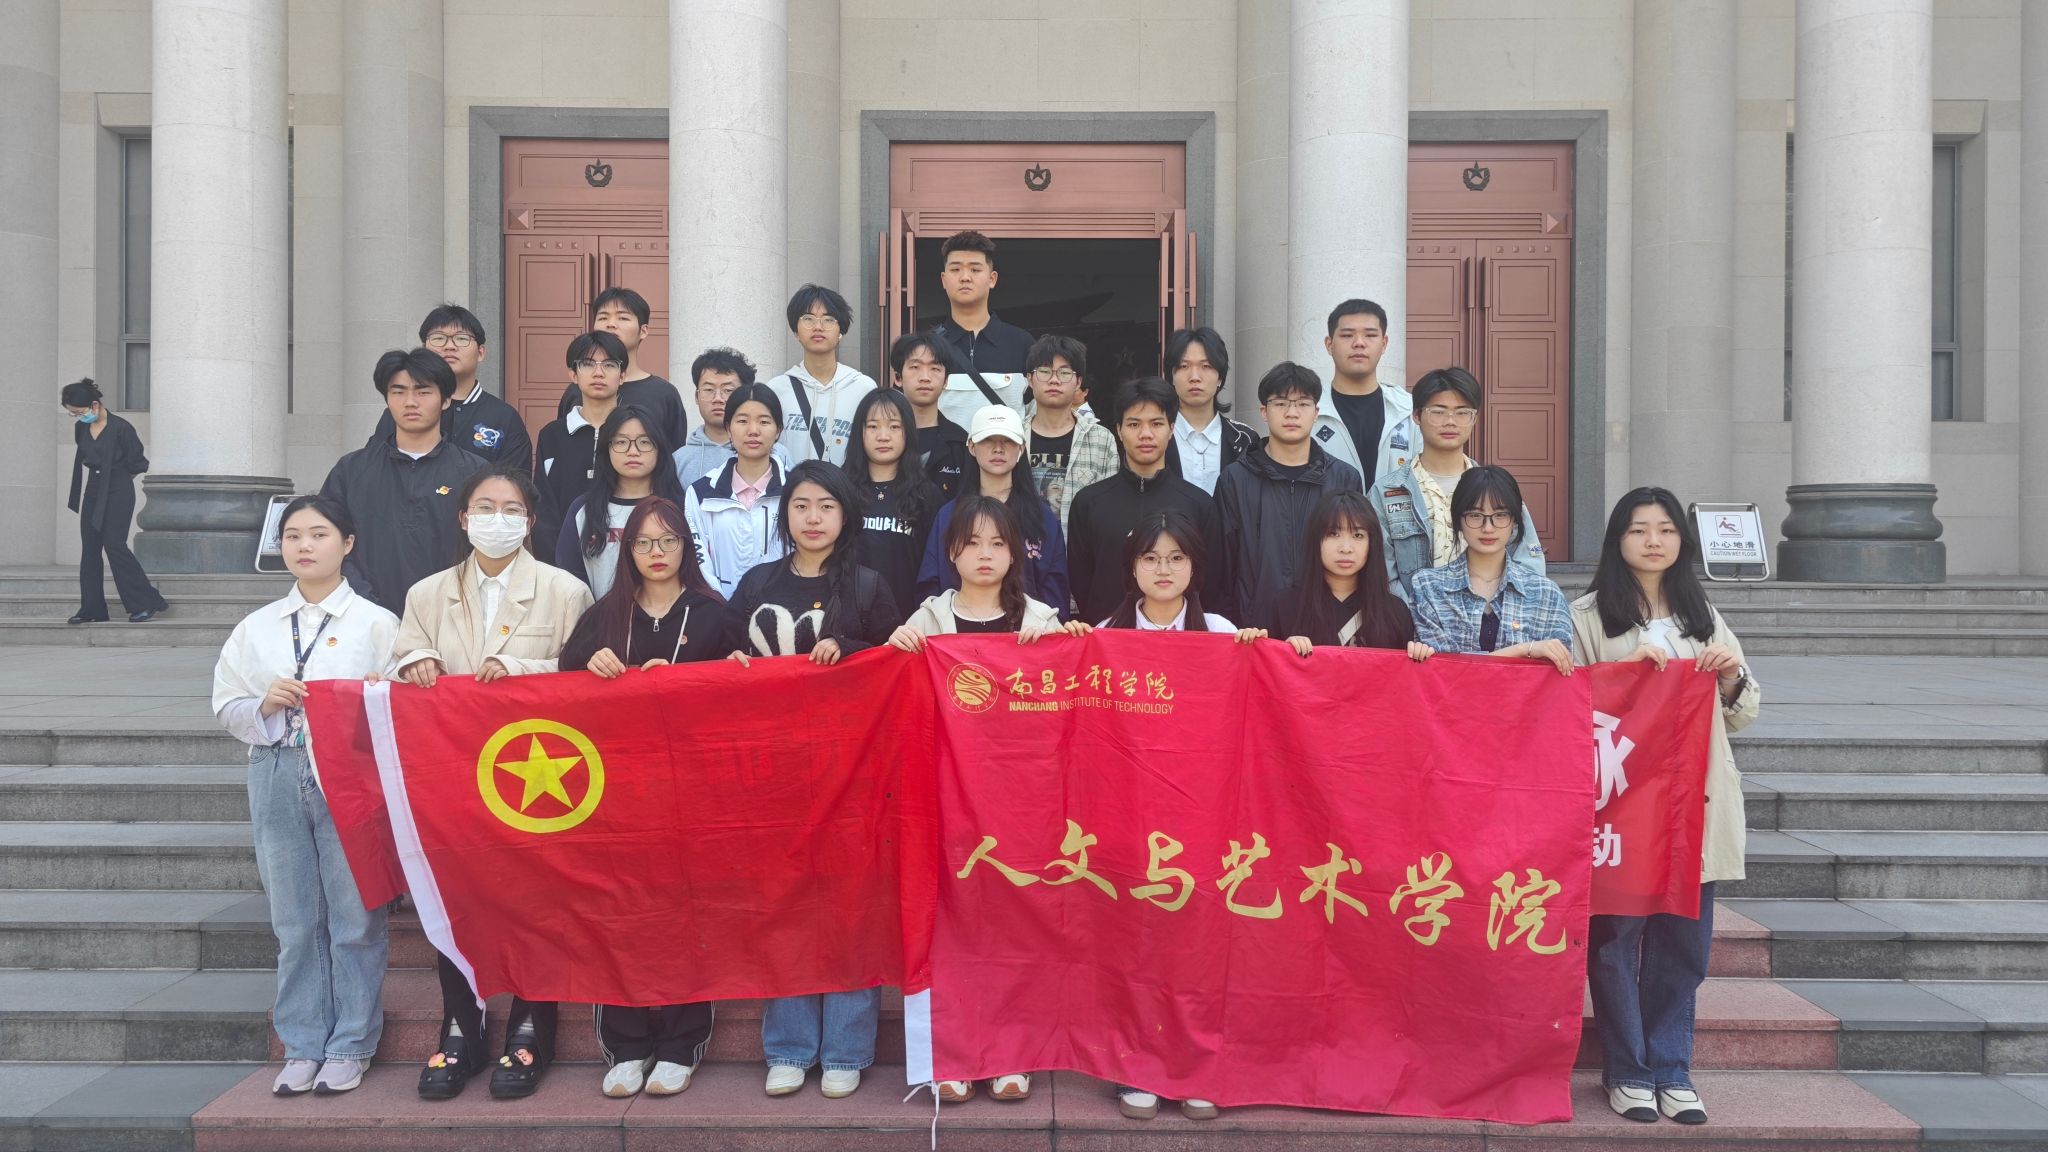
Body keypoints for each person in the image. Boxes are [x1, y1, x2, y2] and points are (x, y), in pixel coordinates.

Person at [393, 465, 593, 1102]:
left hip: (536, 777)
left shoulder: (565, 590)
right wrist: (412, 662)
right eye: (484, 506)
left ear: (529, 523)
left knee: (537, 898)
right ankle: (462, 1025)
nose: (496, 519)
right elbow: (398, 663)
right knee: (457, 897)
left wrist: (519, 668)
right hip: (452, 777)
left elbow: (584, 675)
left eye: (511, 509)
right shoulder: (427, 593)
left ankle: (533, 1024)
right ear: (463, 518)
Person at [1572, 488, 1760, 1128]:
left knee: (1684, 942)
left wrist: (1730, 678)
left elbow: (1744, 709)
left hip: (1692, 805)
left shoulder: (1701, 613)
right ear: (1617, 540)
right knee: (1616, 941)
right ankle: (1627, 1070)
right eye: (1638, 529)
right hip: (1624, 808)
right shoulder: (1588, 616)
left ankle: (1671, 1069)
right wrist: (1624, 673)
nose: (1653, 541)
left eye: (1666, 529)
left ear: (1682, 539)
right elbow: (1567, 701)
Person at [721, 461, 898, 1100]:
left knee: (851, 908)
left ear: (845, 514)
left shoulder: (869, 586)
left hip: (852, 773)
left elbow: (897, 668)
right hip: (775, 772)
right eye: (801, 505)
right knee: (786, 906)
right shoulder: (757, 582)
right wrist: (733, 662)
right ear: (784, 513)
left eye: (826, 505)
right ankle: (790, 1048)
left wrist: (851, 651)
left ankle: (847, 1048)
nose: (813, 517)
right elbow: (722, 659)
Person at [211, 495, 398, 1098]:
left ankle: (351, 1042)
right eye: (292, 535)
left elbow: (402, 703)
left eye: (319, 534)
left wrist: (376, 694)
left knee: (355, 915)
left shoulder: (377, 623)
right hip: (276, 769)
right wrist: (263, 703)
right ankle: (301, 1043)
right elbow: (226, 703)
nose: (304, 546)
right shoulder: (257, 626)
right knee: (293, 919)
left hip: (351, 778)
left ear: (348, 543)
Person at [558, 496, 729, 1099]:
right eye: (643, 542)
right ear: (626, 549)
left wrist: (701, 680)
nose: (657, 553)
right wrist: (589, 664)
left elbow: (742, 699)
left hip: (691, 792)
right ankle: (627, 1045)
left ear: (687, 547)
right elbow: (559, 693)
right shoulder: (603, 616)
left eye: (669, 541)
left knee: (687, 914)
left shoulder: (714, 614)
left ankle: (681, 1044)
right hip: (613, 793)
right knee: (617, 913)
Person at [320, 349, 487, 612]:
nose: (410, 402)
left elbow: (486, 548)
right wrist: (364, 603)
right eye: (398, 392)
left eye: (423, 392)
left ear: (445, 400)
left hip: (453, 614)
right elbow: (328, 539)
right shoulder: (352, 470)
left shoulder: (475, 472)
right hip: (363, 615)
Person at [1370, 366, 1544, 604]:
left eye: (1462, 412)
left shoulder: (1497, 489)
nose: (1450, 421)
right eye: (1438, 412)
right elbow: (1383, 576)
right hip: (1414, 623)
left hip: (1492, 621)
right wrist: (1421, 617)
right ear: (1417, 416)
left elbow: (1528, 562)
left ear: (1474, 419)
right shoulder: (1387, 492)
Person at [1214, 362, 1363, 631]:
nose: (1292, 413)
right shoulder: (1235, 479)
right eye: (1281, 403)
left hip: (1327, 632)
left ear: (1316, 413)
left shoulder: (1344, 479)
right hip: (1255, 632)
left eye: (1303, 404)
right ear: (1264, 411)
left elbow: (1358, 558)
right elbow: (1223, 566)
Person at [1067, 378, 1225, 625]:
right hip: (1108, 639)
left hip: (1180, 639)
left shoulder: (1199, 505)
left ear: (1171, 429)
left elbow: (1211, 583)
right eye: (1134, 424)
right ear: (1119, 430)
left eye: (1156, 424)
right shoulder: (1089, 503)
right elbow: (1081, 582)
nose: (1146, 434)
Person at [1408, 465, 1572, 672]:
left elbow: (1561, 672)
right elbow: (1443, 672)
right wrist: (1524, 649)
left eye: (1500, 515)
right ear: (1458, 520)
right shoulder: (1428, 587)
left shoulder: (1546, 594)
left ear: (1515, 521)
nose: (1488, 527)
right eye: (1475, 515)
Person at [915, 406, 1069, 617]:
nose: (998, 449)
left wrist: (1045, 629)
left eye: (1008, 441)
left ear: (1022, 448)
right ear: (971, 446)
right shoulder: (949, 516)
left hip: (1027, 632)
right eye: (988, 440)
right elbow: (930, 585)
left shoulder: (1042, 517)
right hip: (959, 632)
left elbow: (1055, 590)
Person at [890, 497, 1078, 653]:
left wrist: (1074, 642)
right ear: (952, 552)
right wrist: (894, 647)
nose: (985, 554)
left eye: (997, 544)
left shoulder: (1042, 620)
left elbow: (1064, 680)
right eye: (972, 543)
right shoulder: (925, 621)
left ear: (1012, 555)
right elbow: (891, 678)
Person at [368, 304, 531, 468]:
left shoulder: (504, 417)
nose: (449, 346)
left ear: (480, 353)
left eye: (461, 338)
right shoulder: (404, 411)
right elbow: (373, 467)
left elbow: (515, 480)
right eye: (438, 338)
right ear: (424, 349)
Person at [1273, 490, 1430, 660]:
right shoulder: (1285, 606)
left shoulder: (1395, 613)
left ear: (1372, 543)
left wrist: (1419, 657)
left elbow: (1402, 674)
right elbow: (1267, 669)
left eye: (1358, 535)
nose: (1346, 548)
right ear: (1315, 539)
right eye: (1333, 534)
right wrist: (1282, 652)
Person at [60, 377, 168, 624]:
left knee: (114, 544)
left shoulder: (122, 427)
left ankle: (145, 603)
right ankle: (92, 609)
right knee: (90, 548)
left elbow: (138, 462)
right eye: (73, 414)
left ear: (95, 405)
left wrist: (117, 478)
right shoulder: (81, 428)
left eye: (79, 412)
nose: (77, 417)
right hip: (93, 488)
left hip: (118, 487)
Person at [554, 407, 689, 599]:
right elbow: (569, 579)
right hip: (599, 616)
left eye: (644, 442)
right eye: (621, 442)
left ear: (659, 448)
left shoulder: (681, 507)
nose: (633, 451)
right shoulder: (583, 510)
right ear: (607, 448)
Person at [683, 383, 790, 598]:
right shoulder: (701, 493)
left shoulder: (796, 491)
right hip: (718, 610)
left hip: (783, 610)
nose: (753, 430)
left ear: (778, 430)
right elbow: (698, 560)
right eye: (742, 421)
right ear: (728, 428)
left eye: (764, 421)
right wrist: (719, 605)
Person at [845, 389, 941, 619]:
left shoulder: (927, 495)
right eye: (873, 426)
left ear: (908, 432)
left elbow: (935, 569)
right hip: (849, 622)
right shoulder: (840, 490)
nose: (883, 436)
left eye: (894, 427)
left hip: (910, 624)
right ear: (860, 432)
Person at [555, 287, 689, 448]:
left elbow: (675, 454)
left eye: (623, 318)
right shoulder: (577, 390)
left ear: (643, 331)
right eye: (603, 318)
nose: (611, 324)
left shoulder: (664, 394)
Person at [535, 331, 631, 551]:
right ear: (573, 374)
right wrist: (555, 564)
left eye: (609, 365)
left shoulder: (636, 432)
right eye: (588, 364)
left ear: (622, 375)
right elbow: (544, 509)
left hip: (627, 554)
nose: (598, 373)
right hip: (563, 560)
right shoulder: (552, 435)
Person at [766, 285, 880, 466]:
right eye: (808, 319)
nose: (818, 327)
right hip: (791, 484)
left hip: (846, 484)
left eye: (828, 320)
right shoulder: (776, 389)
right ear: (795, 332)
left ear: (841, 331)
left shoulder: (863, 388)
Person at [929, 231, 1032, 424]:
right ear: (943, 279)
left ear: (992, 279)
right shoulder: (926, 346)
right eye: (955, 269)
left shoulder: (1021, 343)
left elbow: (1037, 413)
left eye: (975, 270)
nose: (965, 277)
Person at [1310, 299, 1416, 482]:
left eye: (1370, 335)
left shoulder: (1409, 410)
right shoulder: (1308, 410)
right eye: (1347, 335)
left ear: (1384, 343)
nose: (1359, 343)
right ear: (1329, 344)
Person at [1019, 333, 1116, 535]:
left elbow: (1110, 509)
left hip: (1081, 550)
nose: (1054, 380)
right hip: (1022, 549)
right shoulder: (1014, 436)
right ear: (1029, 379)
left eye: (1064, 373)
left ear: (1078, 382)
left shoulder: (1101, 439)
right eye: (1044, 371)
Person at [673, 347, 790, 482]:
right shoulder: (679, 460)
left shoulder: (778, 454)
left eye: (728, 390)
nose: (718, 398)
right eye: (709, 389)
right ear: (696, 396)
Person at [1165, 327, 1256, 495]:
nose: (1195, 377)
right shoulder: (1156, 437)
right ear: (1172, 377)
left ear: (1220, 377)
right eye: (1184, 366)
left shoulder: (1245, 439)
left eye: (1206, 366)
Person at [891, 330, 971, 498]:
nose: (925, 377)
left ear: (946, 381)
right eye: (915, 367)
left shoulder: (960, 442)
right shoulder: (880, 438)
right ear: (898, 378)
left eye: (935, 368)